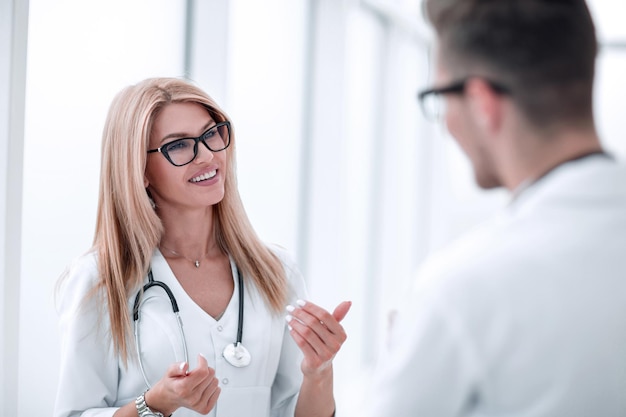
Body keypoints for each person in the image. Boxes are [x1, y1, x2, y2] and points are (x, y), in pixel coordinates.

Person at [367, 0, 626, 416]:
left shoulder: (462, 290)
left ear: (482, 101)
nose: (447, 121)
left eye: (440, 96)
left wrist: (417, 348)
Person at [54, 77, 351, 417]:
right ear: (140, 169)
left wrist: (318, 371)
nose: (208, 155)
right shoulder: (100, 279)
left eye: (211, 134)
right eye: (179, 145)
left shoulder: (275, 272)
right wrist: (153, 404)